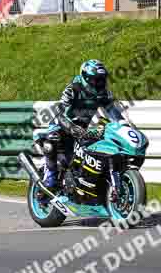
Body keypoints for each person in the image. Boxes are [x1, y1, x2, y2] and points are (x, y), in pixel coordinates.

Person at [42, 60, 114, 192]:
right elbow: (60, 113)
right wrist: (71, 128)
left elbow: (114, 112)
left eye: (102, 80)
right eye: (96, 80)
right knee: (52, 140)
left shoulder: (104, 93)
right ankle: (50, 177)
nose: (99, 84)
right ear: (86, 77)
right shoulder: (73, 89)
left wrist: (123, 125)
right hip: (62, 126)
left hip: (82, 130)